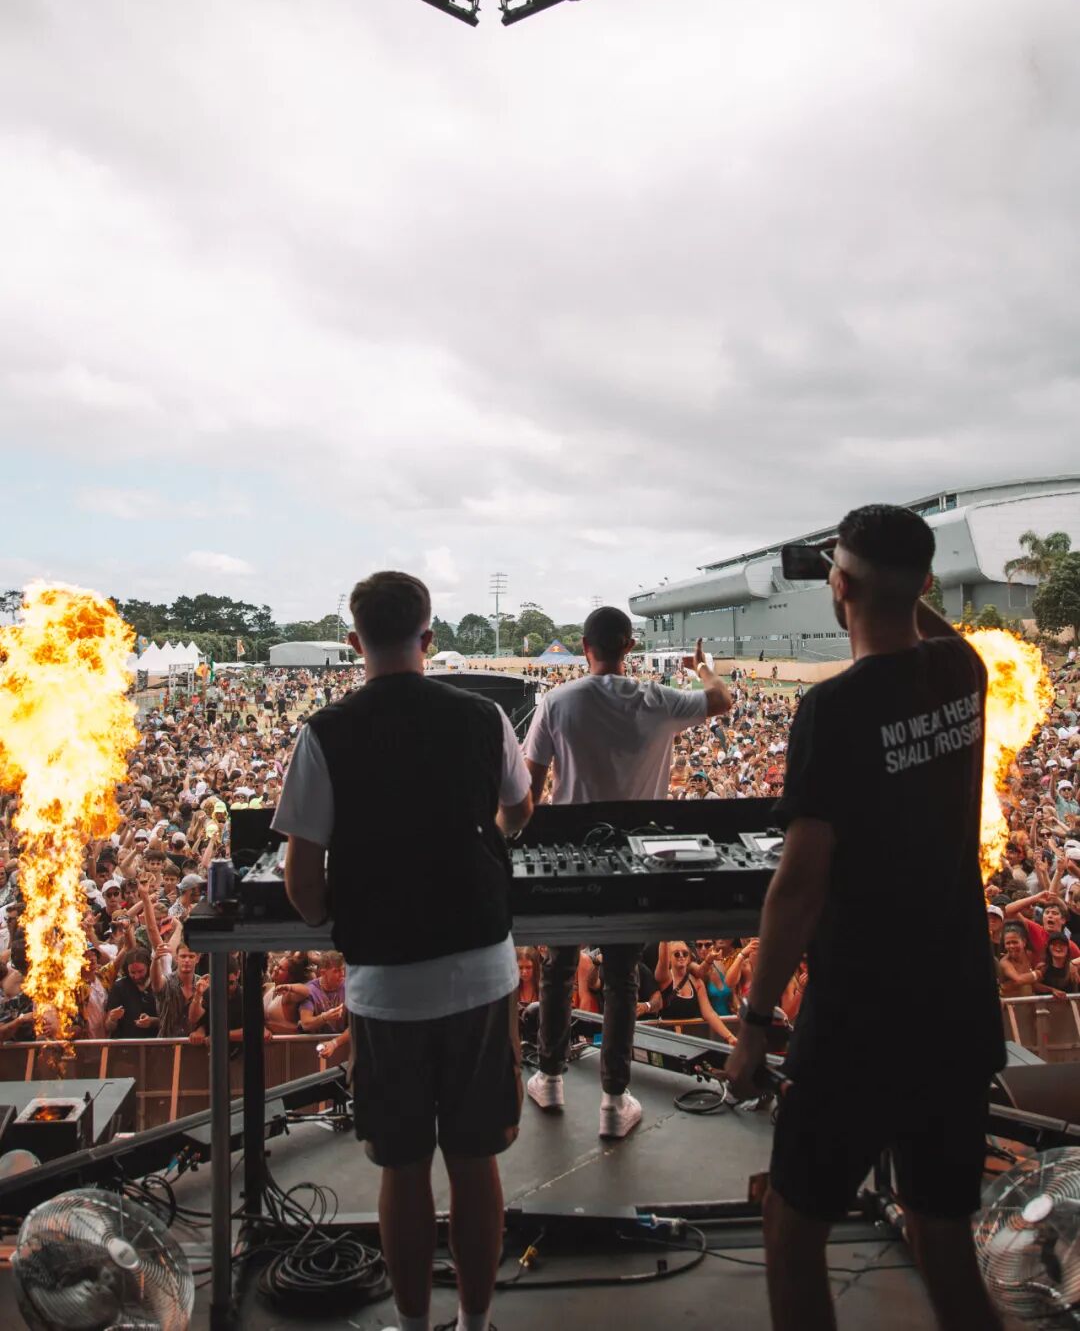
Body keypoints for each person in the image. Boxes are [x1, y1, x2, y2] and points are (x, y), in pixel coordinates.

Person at [724, 504, 1006, 1331]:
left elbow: (799, 884)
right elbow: (928, 623)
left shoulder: (834, 709)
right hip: (958, 1008)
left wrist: (753, 1022)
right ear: (926, 584)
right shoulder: (965, 671)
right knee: (943, 1236)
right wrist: (887, 580)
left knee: (791, 1226)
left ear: (838, 587)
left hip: (861, 1018)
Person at [272, 571, 533, 1331]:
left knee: (403, 1166)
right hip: (481, 971)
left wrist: (347, 913)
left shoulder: (324, 732)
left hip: (384, 985)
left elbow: (302, 884)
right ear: (429, 637)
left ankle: (415, 1324)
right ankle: (476, 1323)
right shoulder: (485, 716)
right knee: (476, 1162)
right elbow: (518, 813)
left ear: (354, 641)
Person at [522, 607, 731, 1138]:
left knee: (557, 968)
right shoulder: (658, 700)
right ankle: (615, 1102)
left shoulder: (557, 701)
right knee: (621, 977)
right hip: (636, 857)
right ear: (629, 647)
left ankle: (549, 1078)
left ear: (584, 646)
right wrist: (702, 668)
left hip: (569, 854)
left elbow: (530, 789)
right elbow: (722, 699)